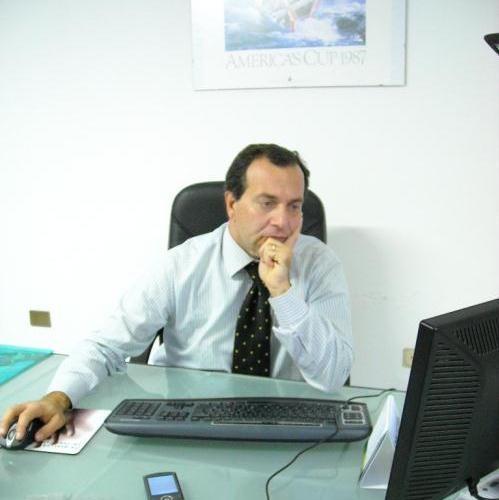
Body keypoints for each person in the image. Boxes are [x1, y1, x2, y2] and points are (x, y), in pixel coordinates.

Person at [0, 143, 353, 444]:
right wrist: (58, 397)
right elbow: (105, 346)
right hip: (186, 422)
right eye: (267, 203)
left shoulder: (319, 265)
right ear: (232, 204)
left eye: (294, 206)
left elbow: (333, 375)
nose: (283, 221)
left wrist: (282, 292)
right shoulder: (181, 265)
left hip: (283, 427)